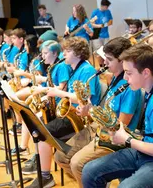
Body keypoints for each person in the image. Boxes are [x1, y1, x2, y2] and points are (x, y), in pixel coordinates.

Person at [82, 43, 153, 187]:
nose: (125, 78)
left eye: (129, 73)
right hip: (148, 150)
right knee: (89, 171)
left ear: (145, 72)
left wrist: (126, 140)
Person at [53, 37, 143, 187]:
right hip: (99, 129)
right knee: (60, 156)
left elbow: (120, 125)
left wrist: (92, 111)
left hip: (114, 138)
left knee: (77, 164)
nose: (104, 63)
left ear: (122, 61)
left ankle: (95, 180)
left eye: (109, 59)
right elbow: (108, 109)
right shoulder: (113, 79)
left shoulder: (129, 88)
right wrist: (89, 111)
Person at [25, 37, 101, 188]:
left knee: (41, 133)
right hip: (71, 114)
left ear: (78, 54)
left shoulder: (87, 70)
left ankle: (45, 177)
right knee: (39, 127)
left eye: (67, 51)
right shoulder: (75, 69)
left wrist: (57, 93)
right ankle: (42, 164)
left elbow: (85, 101)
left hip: (83, 118)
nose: (63, 54)